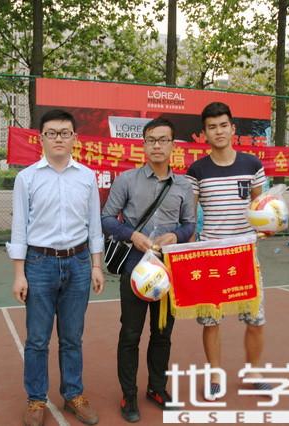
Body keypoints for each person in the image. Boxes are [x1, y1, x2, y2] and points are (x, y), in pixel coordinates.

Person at [7, 109, 105, 426]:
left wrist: (96, 266)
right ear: (42, 138)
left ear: (75, 137)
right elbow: (19, 229)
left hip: (79, 263)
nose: (58, 138)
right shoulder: (27, 178)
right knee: (37, 339)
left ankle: (73, 394)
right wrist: (19, 274)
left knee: (72, 337)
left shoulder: (87, 177)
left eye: (65, 133)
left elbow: (94, 225)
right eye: (52, 133)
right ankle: (36, 399)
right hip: (39, 264)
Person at [102, 117, 195, 423]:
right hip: (134, 268)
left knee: (162, 333)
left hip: (168, 270)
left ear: (172, 145)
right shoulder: (127, 180)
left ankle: (157, 388)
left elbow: (189, 225)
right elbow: (106, 219)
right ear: (143, 145)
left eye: (163, 140)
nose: (157, 146)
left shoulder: (183, 185)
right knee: (130, 334)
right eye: (151, 140)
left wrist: (176, 236)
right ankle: (128, 393)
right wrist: (132, 235)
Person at [185, 102, 269, 400]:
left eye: (223, 125)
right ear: (204, 134)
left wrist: (269, 224)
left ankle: (254, 372)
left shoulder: (252, 165)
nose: (218, 131)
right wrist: (188, 250)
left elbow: (261, 207)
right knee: (211, 322)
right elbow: (189, 215)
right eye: (212, 127)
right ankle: (215, 375)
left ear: (233, 129)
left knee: (256, 320)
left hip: (245, 256)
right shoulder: (197, 170)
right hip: (211, 257)